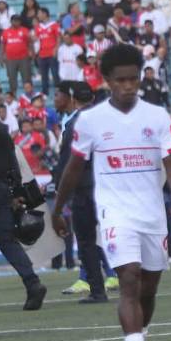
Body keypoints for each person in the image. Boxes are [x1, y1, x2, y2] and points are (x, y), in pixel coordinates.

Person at [51, 44, 171, 341]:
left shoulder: (156, 116)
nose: (128, 86)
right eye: (121, 80)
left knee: (149, 289)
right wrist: (58, 208)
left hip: (152, 213)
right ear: (107, 80)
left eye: (134, 79)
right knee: (129, 279)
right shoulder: (91, 120)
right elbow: (73, 167)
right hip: (115, 213)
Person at [53, 80, 113, 302]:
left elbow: (68, 163)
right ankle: (133, 285)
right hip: (109, 185)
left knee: (86, 240)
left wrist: (58, 191)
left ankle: (97, 290)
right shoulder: (108, 119)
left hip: (85, 188)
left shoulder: (76, 124)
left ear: (73, 98)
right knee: (118, 236)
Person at [0, 111, 47, 311]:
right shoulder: (1, 131)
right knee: (8, 241)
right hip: (1, 190)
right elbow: (13, 163)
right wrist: (15, 192)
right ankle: (32, 282)